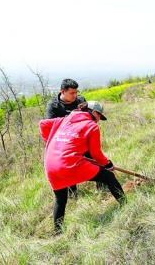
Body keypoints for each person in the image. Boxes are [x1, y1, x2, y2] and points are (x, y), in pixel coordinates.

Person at [39, 101, 126, 235]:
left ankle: (58, 232)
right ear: (94, 113)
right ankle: (126, 206)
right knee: (108, 177)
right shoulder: (91, 126)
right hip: (69, 164)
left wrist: (51, 142)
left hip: (50, 165)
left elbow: (43, 124)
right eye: (99, 117)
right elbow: (96, 154)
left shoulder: (65, 120)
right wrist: (108, 164)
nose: (98, 121)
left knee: (60, 199)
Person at [45, 78, 88, 197]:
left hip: (81, 137)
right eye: (72, 93)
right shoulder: (53, 105)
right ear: (63, 92)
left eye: (76, 92)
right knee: (68, 166)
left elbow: (87, 118)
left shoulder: (80, 100)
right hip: (64, 141)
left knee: (94, 158)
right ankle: (73, 194)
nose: (75, 95)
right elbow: (49, 125)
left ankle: (100, 185)